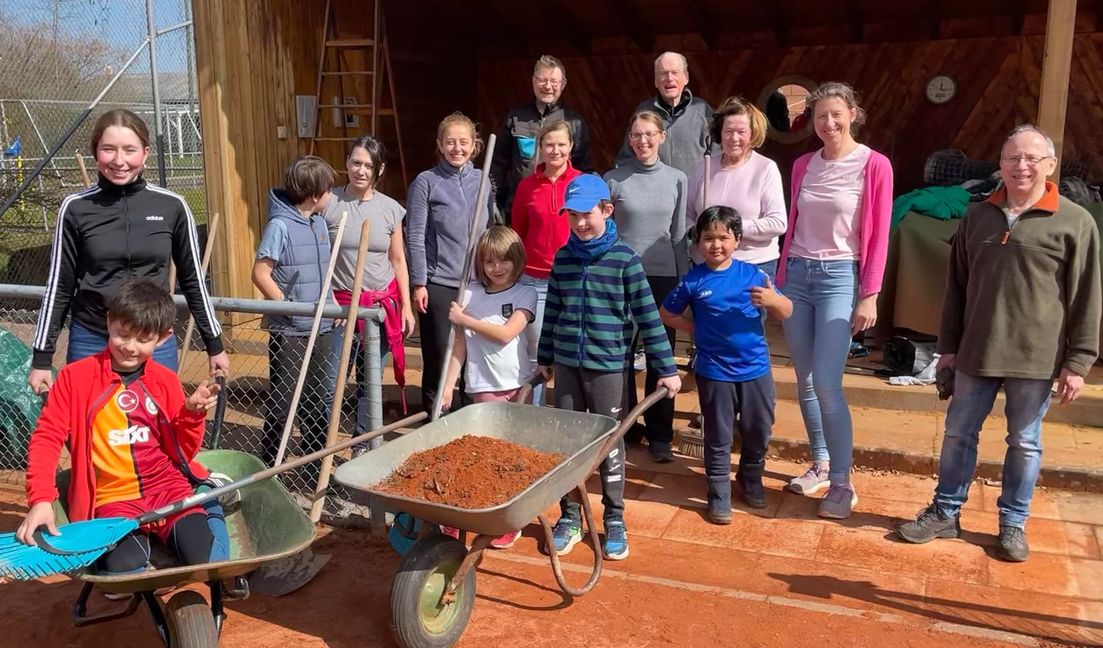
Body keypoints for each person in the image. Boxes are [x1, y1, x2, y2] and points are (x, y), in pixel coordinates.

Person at [896, 124, 1101, 562]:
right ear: (1001, 166)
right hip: (975, 350)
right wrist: (947, 346)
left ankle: (1012, 523)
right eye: (1012, 158)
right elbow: (956, 287)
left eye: (1032, 158)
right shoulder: (977, 215)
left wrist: (1079, 361)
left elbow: (1087, 296)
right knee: (957, 434)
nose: (1021, 166)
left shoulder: (1075, 221)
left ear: (1049, 166)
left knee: (1024, 442)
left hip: (1037, 358)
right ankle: (946, 513)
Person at [18, 279, 228, 573]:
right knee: (122, 569)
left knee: (208, 561)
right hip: (113, 500)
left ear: (163, 338)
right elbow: (46, 439)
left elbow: (183, 451)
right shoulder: (74, 378)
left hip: (168, 490)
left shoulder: (165, 380)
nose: (129, 347)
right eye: (122, 334)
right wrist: (41, 500)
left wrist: (191, 413)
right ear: (109, 322)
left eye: (143, 339)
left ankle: (209, 501)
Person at [28, 109, 228, 394]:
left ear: (145, 153)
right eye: (108, 149)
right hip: (92, 339)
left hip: (153, 342)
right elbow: (59, 286)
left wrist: (214, 344)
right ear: (95, 152)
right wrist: (42, 357)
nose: (119, 161)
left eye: (129, 150)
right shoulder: (75, 208)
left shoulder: (172, 206)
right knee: (89, 431)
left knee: (156, 429)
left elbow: (194, 280)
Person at [537, 174, 682, 561]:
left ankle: (614, 518)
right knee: (568, 444)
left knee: (608, 442)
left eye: (587, 214)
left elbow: (649, 317)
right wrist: (545, 357)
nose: (580, 223)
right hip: (567, 365)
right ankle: (570, 515)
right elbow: (552, 311)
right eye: (572, 215)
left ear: (606, 210)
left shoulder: (624, 260)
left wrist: (666, 368)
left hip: (608, 368)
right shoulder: (564, 259)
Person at [775, 82, 893, 520]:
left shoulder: (874, 165)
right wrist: (782, 281)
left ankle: (843, 482)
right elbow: (795, 226)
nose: (828, 124)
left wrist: (871, 293)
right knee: (804, 380)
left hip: (842, 278)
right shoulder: (803, 164)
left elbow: (879, 233)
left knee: (827, 381)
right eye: (821, 116)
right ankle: (821, 464)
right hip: (798, 278)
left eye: (836, 114)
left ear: (853, 113)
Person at [661, 206, 792, 523]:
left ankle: (750, 479)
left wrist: (772, 301)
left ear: (737, 240)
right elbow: (667, 313)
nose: (716, 245)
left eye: (723, 237)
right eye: (708, 238)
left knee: (758, 429)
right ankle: (718, 492)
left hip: (755, 369)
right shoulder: (693, 281)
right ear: (698, 242)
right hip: (714, 371)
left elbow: (786, 310)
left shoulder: (754, 275)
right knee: (718, 436)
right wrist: (695, 329)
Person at [440, 226, 538, 549]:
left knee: (514, 454)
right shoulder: (468, 295)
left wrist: (465, 319)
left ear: (517, 260)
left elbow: (507, 333)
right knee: (485, 454)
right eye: (489, 262)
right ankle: (475, 513)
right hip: (483, 384)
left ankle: (512, 519)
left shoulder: (525, 294)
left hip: (517, 384)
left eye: (503, 261)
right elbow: (459, 346)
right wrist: (448, 385)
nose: (497, 268)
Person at [604, 110, 688, 462]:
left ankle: (660, 435)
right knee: (621, 357)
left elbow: (680, 235)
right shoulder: (614, 179)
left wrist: (684, 286)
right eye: (636, 135)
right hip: (623, 276)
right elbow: (607, 234)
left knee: (660, 357)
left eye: (649, 134)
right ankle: (623, 429)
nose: (642, 141)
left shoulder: (678, 179)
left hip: (663, 277)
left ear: (662, 136)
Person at [324, 136, 416, 454]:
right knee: (331, 381)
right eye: (356, 162)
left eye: (368, 165)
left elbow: (398, 260)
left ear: (380, 169)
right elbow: (320, 255)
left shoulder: (391, 209)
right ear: (347, 162)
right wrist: (326, 302)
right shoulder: (329, 203)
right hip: (340, 306)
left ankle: (361, 443)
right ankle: (321, 442)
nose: (361, 170)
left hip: (379, 307)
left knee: (370, 381)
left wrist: (405, 306)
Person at [252, 156, 338, 484]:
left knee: (317, 398)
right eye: (329, 189)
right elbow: (260, 273)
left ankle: (315, 466)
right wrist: (287, 306)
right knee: (285, 399)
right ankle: (269, 467)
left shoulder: (318, 223)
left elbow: (324, 275)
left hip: (323, 326)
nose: (331, 195)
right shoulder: (280, 226)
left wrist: (331, 308)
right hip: (290, 329)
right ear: (315, 194)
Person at [407, 112, 495, 412]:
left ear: (475, 145)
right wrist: (419, 282)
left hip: (479, 283)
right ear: (440, 145)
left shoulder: (483, 181)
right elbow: (415, 236)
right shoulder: (426, 182)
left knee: (473, 356)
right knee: (440, 357)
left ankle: (469, 418)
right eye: (450, 142)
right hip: (440, 282)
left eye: (464, 142)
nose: (457, 148)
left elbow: (489, 232)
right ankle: (433, 419)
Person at [510, 120, 583, 406]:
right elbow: (518, 230)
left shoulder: (581, 183)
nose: (555, 150)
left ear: (571, 147)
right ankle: (534, 414)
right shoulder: (527, 187)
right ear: (540, 148)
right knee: (537, 353)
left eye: (561, 144)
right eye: (549, 144)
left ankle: (569, 411)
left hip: (574, 278)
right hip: (535, 281)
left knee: (573, 349)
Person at [687, 96, 786, 280]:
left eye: (741, 132)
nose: (734, 138)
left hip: (752, 266)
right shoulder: (704, 167)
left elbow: (778, 222)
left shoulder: (765, 168)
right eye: (728, 131)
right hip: (706, 267)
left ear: (752, 133)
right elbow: (687, 215)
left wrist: (731, 229)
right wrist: (697, 232)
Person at [491, 55, 592, 219]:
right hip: (518, 208)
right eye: (542, 80)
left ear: (563, 84)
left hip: (561, 212)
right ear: (533, 81)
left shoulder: (574, 122)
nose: (548, 86)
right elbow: (498, 164)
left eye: (554, 81)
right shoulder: (516, 117)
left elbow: (584, 170)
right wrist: (493, 200)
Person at [615, 51, 713, 178]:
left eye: (675, 72)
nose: (669, 78)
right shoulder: (644, 112)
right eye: (663, 73)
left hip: (693, 194)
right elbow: (626, 159)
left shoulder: (702, 111)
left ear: (686, 78)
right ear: (656, 81)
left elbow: (718, 157)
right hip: (654, 194)